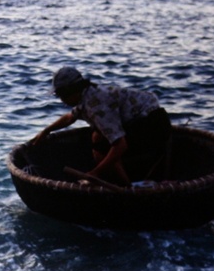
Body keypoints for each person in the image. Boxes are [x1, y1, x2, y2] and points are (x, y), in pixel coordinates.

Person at [28, 66, 171, 185]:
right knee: (97, 136)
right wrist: (46, 131)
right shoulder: (87, 95)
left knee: (103, 146)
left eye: (62, 95)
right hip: (141, 120)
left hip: (153, 124)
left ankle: (125, 187)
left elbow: (120, 145)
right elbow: (70, 117)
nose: (62, 100)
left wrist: (95, 172)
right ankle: (121, 181)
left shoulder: (96, 106)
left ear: (73, 90)